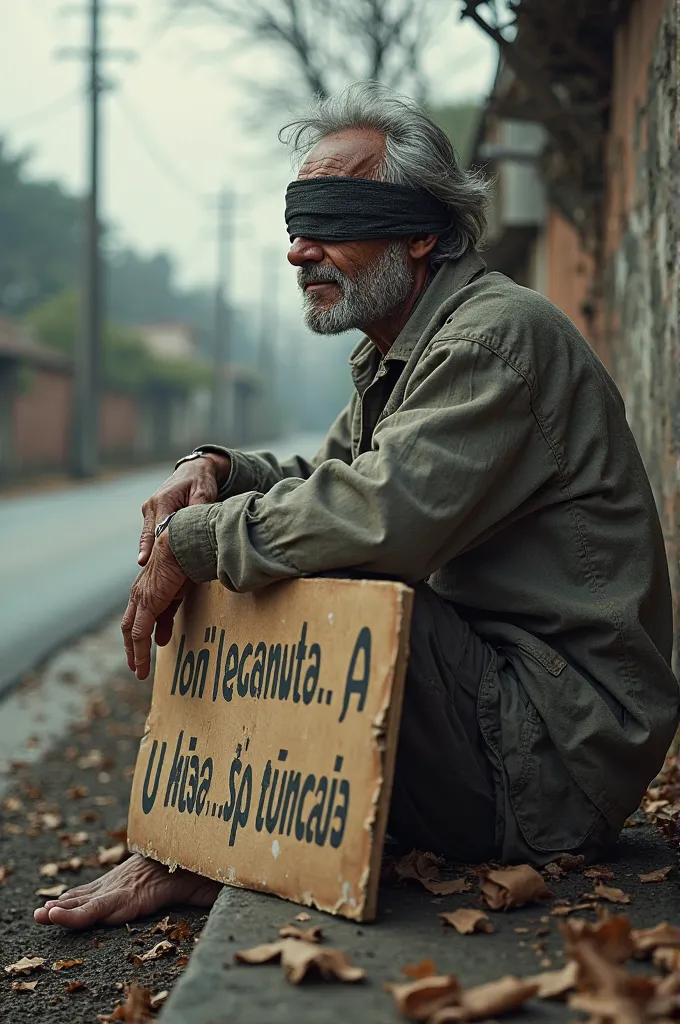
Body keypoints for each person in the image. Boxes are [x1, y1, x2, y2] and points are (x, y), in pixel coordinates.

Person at [35, 82, 678, 930]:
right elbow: (327, 479)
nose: (301, 249)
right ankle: (219, 842)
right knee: (261, 533)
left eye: (334, 219)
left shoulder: (492, 339)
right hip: (494, 714)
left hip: (549, 761)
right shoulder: (404, 350)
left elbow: (376, 520)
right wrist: (219, 469)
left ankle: (206, 844)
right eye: (298, 222)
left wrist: (194, 543)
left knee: (299, 559)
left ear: (422, 231)